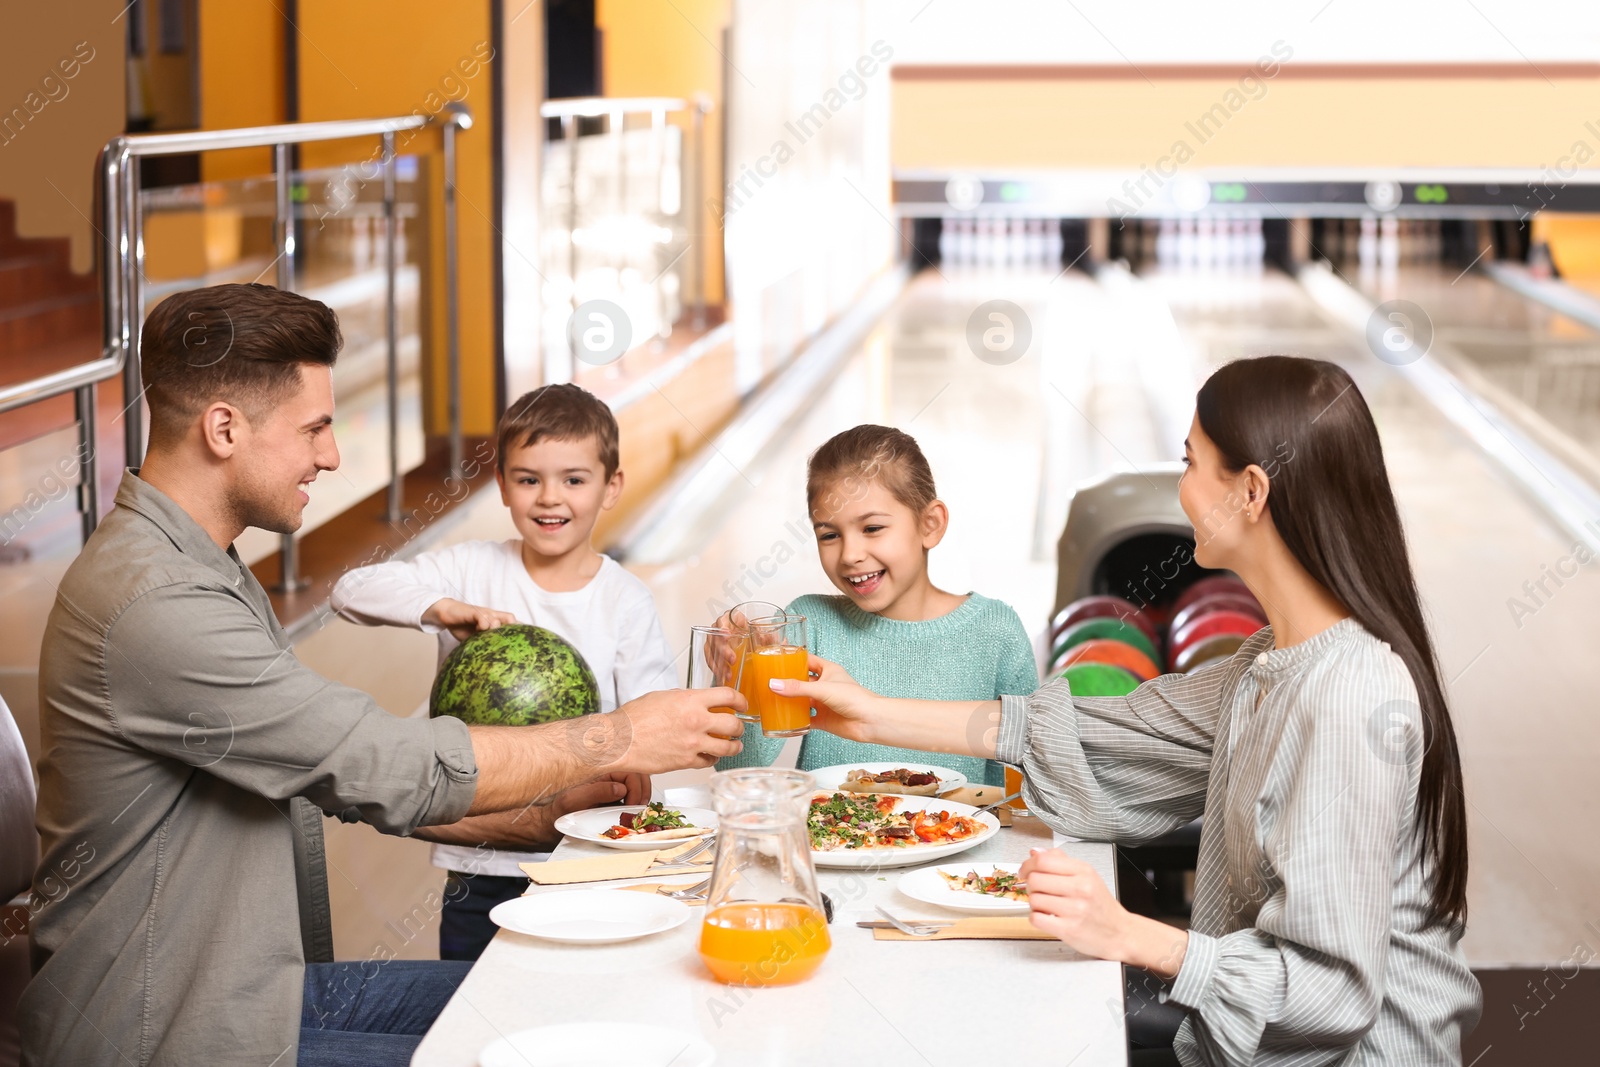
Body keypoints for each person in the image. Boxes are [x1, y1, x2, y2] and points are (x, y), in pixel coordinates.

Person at [20, 284, 742, 1066]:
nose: (332, 454)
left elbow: (320, 773)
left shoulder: (199, 566)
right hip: (167, 1031)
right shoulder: (157, 602)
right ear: (224, 428)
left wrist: (529, 823)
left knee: (569, 1001)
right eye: (316, 427)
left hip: (248, 989)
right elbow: (380, 764)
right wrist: (622, 734)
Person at [776, 357, 1481, 1065]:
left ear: (1251, 492)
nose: (1179, 485)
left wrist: (1128, 933)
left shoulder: (1352, 692)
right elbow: (1089, 733)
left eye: (1190, 461)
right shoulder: (1265, 664)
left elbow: (1332, 997)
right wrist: (865, 714)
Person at [331, 382, 676, 961]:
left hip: (583, 863)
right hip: (479, 866)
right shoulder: (469, 571)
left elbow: (651, 719)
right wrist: (440, 608)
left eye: (573, 479)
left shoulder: (625, 601)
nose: (549, 498)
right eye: (527, 478)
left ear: (611, 485)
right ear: (502, 485)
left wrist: (627, 770)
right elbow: (351, 589)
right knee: (466, 1011)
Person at [716, 424, 1036, 786]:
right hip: (832, 838)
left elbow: (1015, 788)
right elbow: (737, 771)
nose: (851, 555)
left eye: (872, 529)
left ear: (930, 524)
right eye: (830, 535)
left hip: (955, 837)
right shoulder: (809, 624)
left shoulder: (996, 631)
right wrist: (738, 673)